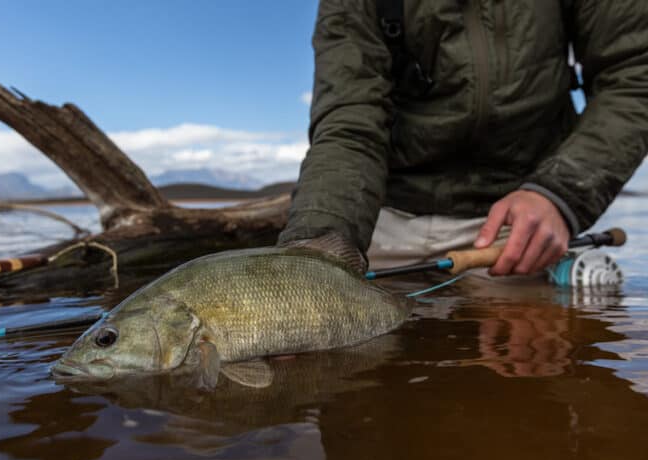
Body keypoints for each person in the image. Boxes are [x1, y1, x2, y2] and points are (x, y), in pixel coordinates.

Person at [277, 0, 648, 276]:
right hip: (388, 215)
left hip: (522, 217)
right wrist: (316, 249)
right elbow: (349, 128)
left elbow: (635, 73)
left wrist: (562, 195)